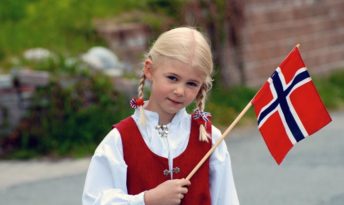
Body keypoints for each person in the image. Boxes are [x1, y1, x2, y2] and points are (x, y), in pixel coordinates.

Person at [82, 27, 239, 205]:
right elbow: (95, 200)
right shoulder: (120, 140)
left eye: (191, 83)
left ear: (201, 86)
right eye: (172, 78)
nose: (180, 91)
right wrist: (146, 199)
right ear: (150, 69)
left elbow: (226, 200)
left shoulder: (210, 138)